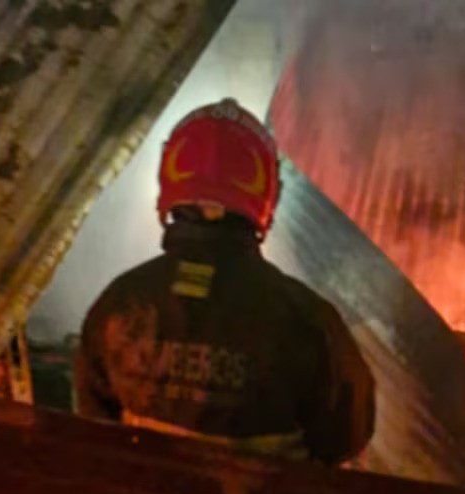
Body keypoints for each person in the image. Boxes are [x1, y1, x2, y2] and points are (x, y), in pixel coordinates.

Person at [74, 99, 375, 466]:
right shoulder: (307, 321)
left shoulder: (117, 304)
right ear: (265, 194)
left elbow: (94, 422)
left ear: (170, 179)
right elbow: (346, 438)